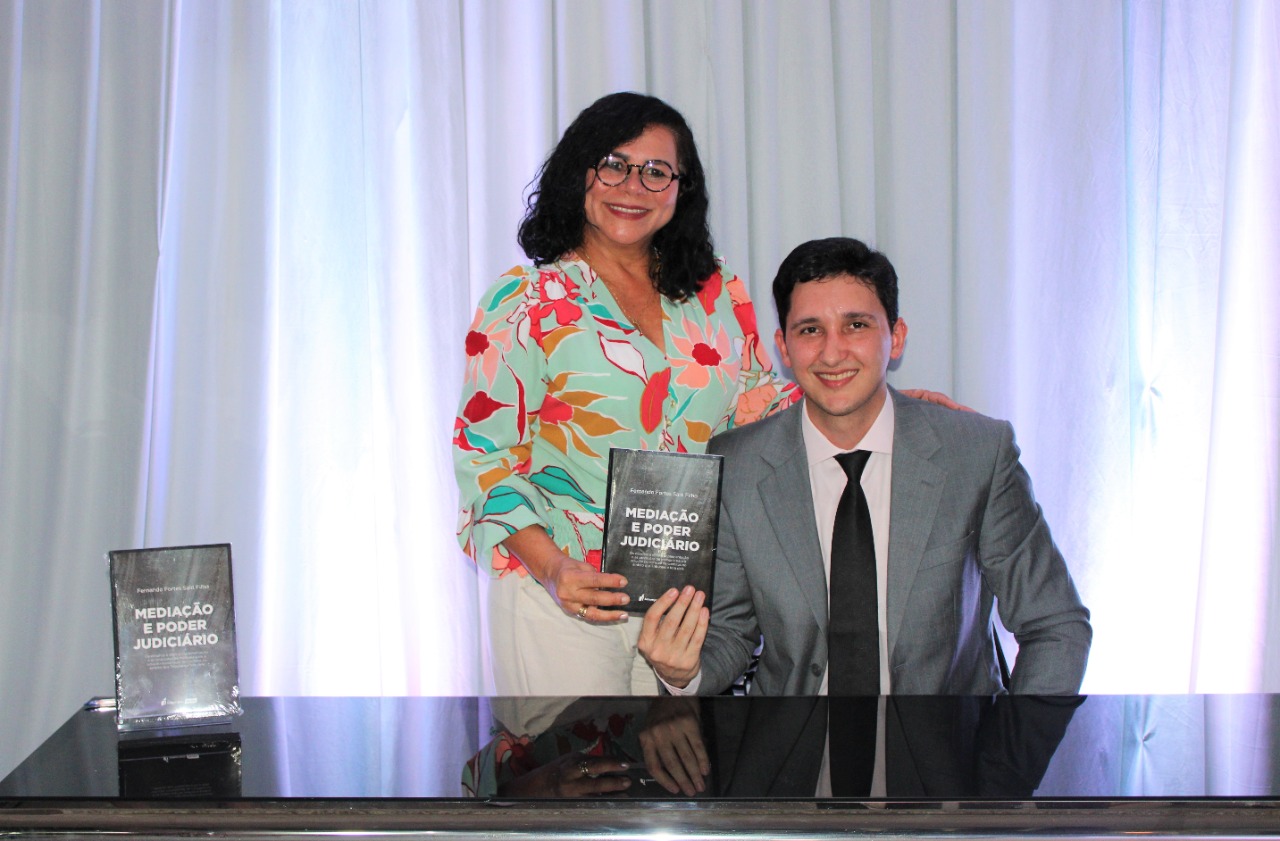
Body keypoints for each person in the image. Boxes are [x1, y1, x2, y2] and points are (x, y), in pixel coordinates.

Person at [454, 95, 959, 696]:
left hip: (683, 597)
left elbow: (754, 407)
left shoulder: (716, 294)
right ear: (579, 173)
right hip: (563, 597)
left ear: (681, 188)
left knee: (677, 756)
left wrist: (877, 405)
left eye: (656, 171)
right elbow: (485, 458)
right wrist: (553, 567)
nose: (633, 186)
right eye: (614, 164)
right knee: (578, 758)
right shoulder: (523, 302)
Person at [638, 237, 1092, 696]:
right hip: (793, 735)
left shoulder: (976, 454)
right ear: (784, 348)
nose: (832, 352)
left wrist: (1015, 738)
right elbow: (731, 633)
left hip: (946, 736)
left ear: (896, 337)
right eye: (810, 330)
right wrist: (683, 673)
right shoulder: (739, 464)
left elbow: (1055, 624)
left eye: (856, 325)